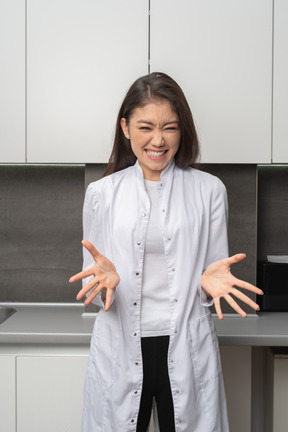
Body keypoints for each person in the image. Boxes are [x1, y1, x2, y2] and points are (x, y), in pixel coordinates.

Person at [69, 72, 263, 432]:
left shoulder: (209, 190)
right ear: (125, 128)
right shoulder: (101, 194)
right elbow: (92, 288)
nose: (158, 140)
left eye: (169, 128)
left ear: (182, 130)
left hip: (187, 347)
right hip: (122, 348)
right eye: (146, 127)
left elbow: (213, 278)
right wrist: (106, 283)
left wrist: (208, 285)